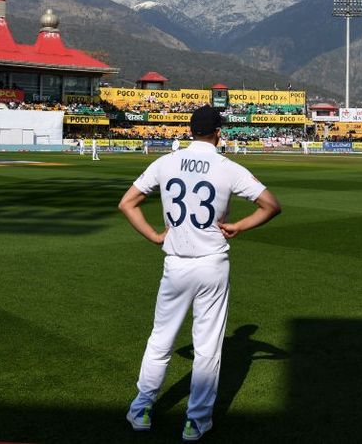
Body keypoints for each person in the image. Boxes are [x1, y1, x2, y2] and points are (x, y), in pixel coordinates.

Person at [118, 106, 281, 442]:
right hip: (212, 264)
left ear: (190, 130)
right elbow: (270, 205)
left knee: (161, 340)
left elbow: (127, 203)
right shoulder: (227, 167)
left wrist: (153, 235)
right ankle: (196, 422)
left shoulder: (166, 162)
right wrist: (238, 226)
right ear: (218, 133)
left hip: (176, 262)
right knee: (208, 348)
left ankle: (142, 409)